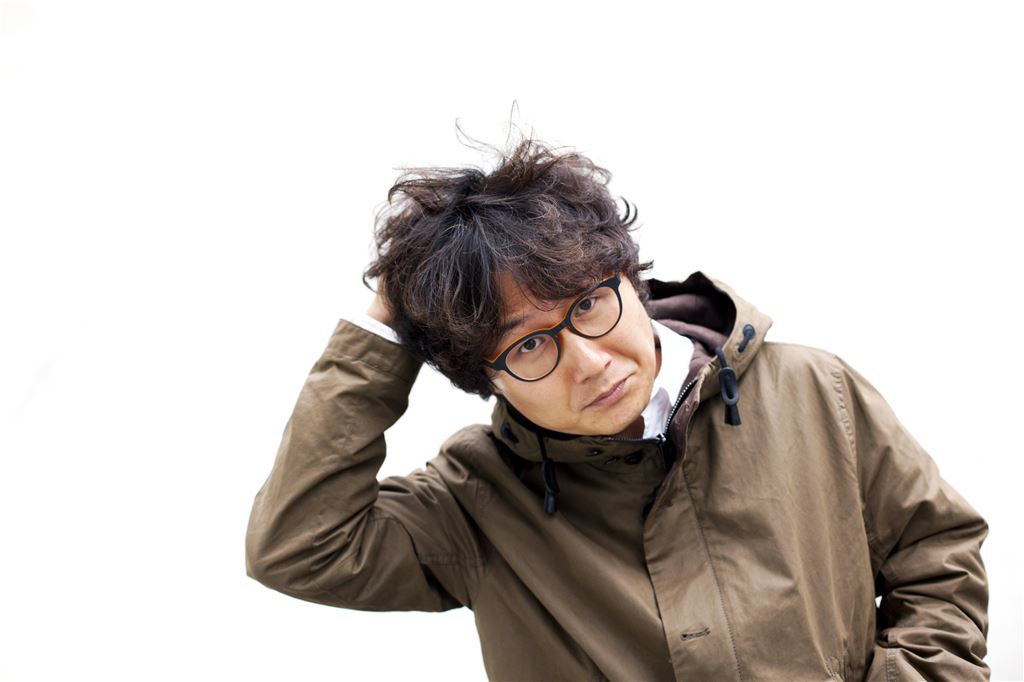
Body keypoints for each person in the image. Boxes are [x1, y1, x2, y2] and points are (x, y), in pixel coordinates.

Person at [244, 134, 990, 681]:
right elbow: (299, 547)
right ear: (486, 378)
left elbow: (938, 554)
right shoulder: (476, 497)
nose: (589, 361)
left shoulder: (812, 390)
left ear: (629, 277)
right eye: (528, 347)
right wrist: (384, 332)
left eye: (589, 304)